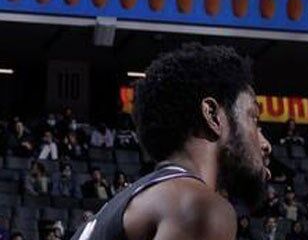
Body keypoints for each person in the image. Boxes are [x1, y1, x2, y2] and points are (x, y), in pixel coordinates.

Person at [71, 44, 272, 240]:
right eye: (253, 117)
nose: (266, 145)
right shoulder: (198, 205)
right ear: (212, 116)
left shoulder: (123, 206)